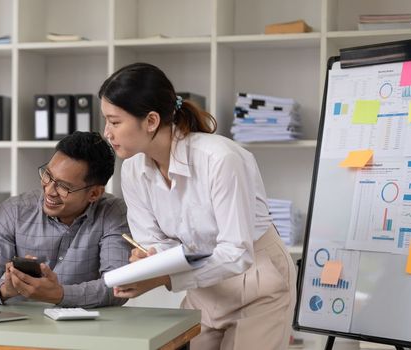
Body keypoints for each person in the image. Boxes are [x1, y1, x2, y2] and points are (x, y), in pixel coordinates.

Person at [98, 63, 296, 349]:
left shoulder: (220, 159)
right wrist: (150, 260)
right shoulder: (132, 170)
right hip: (203, 288)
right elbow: (153, 241)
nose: (107, 132)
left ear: (151, 121)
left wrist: (161, 277)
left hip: (256, 282)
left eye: (115, 122)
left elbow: (236, 253)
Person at [0, 131, 131, 308]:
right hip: (21, 325)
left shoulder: (113, 212)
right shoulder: (15, 211)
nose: (49, 191)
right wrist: (6, 289)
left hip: (86, 330)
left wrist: (59, 295)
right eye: (48, 176)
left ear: (94, 193)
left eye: (64, 187)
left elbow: (119, 286)